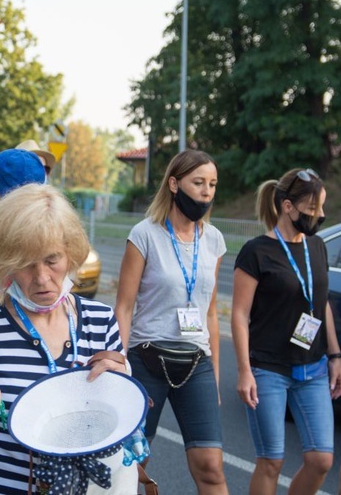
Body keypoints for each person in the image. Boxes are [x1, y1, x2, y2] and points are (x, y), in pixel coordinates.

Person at [0, 184, 127, 493]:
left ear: (72, 252)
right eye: (26, 264)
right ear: (4, 262)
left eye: (52, 260)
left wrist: (125, 388)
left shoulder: (101, 322)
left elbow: (120, 426)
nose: (41, 278)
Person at [114, 149, 228, 493]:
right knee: (131, 462)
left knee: (210, 466)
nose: (206, 192)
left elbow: (210, 311)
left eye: (212, 184)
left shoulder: (216, 240)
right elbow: (124, 307)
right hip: (146, 359)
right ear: (175, 184)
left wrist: (216, 374)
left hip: (197, 362)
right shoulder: (144, 234)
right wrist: (120, 367)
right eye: (198, 183)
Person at [231, 168, 341, 495]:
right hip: (268, 369)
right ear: (287, 206)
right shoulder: (257, 252)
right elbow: (239, 315)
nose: (320, 216)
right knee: (271, 461)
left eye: (321, 209)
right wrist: (244, 371)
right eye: (312, 210)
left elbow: (321, 305)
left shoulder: (317, 247)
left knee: (321, 459)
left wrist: (335, 357)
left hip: (314, 368)